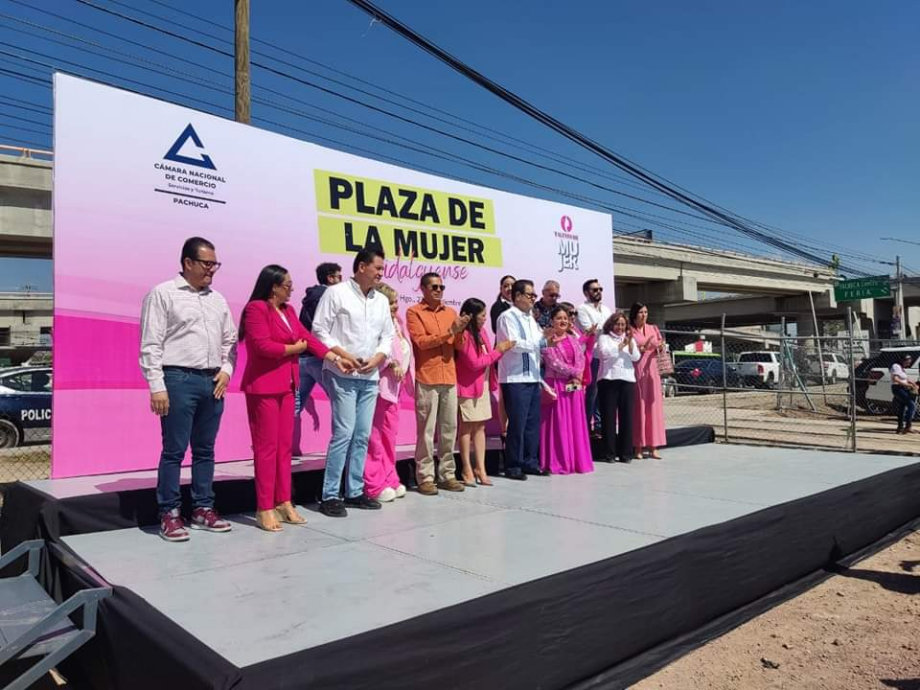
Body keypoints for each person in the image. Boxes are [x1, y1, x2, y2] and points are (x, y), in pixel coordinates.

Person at [140, 237, 237, 542]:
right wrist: (157, 386)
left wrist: (227, 369)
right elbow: (151, 344)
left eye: (215, 264)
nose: (212, 270)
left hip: (213, 383)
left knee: (206, 450)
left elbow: (230, 341)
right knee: (174, 451)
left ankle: (202, 508)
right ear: (188, 263)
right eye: (207, 264)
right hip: (178, 380)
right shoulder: (163, 294)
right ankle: (169, 513)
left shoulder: (217, 299)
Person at [239, 265, 348, 532]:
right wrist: (293, 349)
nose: (291, 288)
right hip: (263, 388)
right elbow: (261, 345)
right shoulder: (257, 308)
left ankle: (283, 501)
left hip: (288, 386)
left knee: (285, 448)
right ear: (273, 285)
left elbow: (308, 339)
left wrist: (335, 357)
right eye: (287, 284)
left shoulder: (288, 311)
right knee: (266, 449)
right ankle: (264, 506)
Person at [313, 247, 395, 517]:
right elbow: (319, 330)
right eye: (378, 268)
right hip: (341, 373)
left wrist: (378, 358)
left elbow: (387, 335)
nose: (381, 274)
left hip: (370, 375)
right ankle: (329, 494)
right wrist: (343, 355)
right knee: (344, 432)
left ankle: (355, 490)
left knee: (362, 434)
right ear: (361, 267)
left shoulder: (381, 300)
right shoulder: (335, 293)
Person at [406, 273, 469, 495]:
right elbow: (421, 343)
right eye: (434, 286)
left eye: (442, 286)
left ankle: (447, 474)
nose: (439, 290)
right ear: (422, 288)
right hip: (427, 377)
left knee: (449, 428)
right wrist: (449, 333)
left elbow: (457, 346)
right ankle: (425, 477)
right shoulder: (414, 312)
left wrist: (460, 332)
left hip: (449, 376)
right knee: (426, 430)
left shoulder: (450, 312)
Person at [455, 298, 515, 486]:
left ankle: (480, 468)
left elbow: (487, 358)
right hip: (467, 387)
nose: (484, 320)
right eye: (481, 316)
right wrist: (499, 351)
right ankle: (466, 468)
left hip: (483, 385)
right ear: (471, 316)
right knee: (466, 428)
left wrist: (495, 353)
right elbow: (474, 363)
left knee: (480, 428)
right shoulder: (463, 335)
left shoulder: (482, 333)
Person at [364, 283, 413, 502]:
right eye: (390, 303)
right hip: (378, 387)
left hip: (395, 389)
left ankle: (389, 476)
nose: (395, 306)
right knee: (374, 437)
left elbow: (405, 352)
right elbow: (372, 355)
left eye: (396, 302)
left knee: (389, 436)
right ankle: (373, 482)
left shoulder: (397, 324)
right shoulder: (374, 325)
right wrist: (390, 364)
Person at [496, 279, 547, 479]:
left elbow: (539, 342)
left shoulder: (530, 319)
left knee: (532, 422)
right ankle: (513, 465)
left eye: (534, 295)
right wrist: (541, 342)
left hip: (533, 376)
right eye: (530, 295)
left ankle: (530, 461)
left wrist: (546, 340)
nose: (533, 299)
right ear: (517, 296)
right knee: (517, 423)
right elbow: (514, 344)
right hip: (515, 377)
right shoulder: (507, 317)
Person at [293, 262, 342, 451]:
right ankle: (340, 448)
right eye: (339, 276)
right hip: (320, 357)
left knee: (294, 405)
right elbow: (326, 330)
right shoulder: (327, 297)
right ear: (330, 278)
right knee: (341, 402)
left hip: (303, 357)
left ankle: (284, 447)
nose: (341, 281)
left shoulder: (310, 297)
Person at [539, 306, 593, 474]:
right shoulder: (547, 339)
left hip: (573, 385)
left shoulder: (573, 339)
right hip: (556, 385)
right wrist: (574, 372)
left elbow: (581, 359)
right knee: (559, 423)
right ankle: (559, 460)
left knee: (574, 421)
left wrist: (577, 374)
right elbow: (552, 361)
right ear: (552, 321)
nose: (562, 321)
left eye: (565, 318)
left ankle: (576, 460)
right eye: (558, 318)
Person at [595, 311, 641, 463]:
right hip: (609, 380)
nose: (620, 327)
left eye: (623, 324)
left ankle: (626, 453)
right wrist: (620, 347)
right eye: (617, 324)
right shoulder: (604, 338)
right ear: (611, 324)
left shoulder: (628, 339)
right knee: (608, 418)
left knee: (626, 417)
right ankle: (609, 453)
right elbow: (604, 354)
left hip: (627, 379)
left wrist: (630, 344)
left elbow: (636, 357)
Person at [629, 302, 667, 459]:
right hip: (637, 368)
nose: (644, 315)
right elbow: (628, 349)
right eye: (641, 312)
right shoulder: (629, 330)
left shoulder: (653, 328)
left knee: (653, 407)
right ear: (634, 314)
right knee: (639, 407)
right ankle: (638, 446)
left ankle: (653, 446)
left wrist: (661, 346)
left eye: (646, 312)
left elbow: (661, 347)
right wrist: (642, 348)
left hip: (652, 370)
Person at [576, 279, 612, 436]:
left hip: (608, 356)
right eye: (594, 289)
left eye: (600, 289)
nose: (598, 292)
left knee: (605, 392)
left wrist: (603, 329)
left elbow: (614, 330)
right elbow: (589, 331)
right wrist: (607, 329)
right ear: (586, 293)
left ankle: (599, 426)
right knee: (592, 392)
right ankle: (586, 427)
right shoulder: (582, 309)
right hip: (593, 356)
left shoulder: (606, 309)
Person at [890, 354, 917, 434]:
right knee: (911, 405)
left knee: (902, 407)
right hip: (898, 388)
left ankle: (900, 428)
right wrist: (907, 385)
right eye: (907, 362)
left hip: (903, 388)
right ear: (903, 360)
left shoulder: (901, 368)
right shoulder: (895, 366)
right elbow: (895, 379)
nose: (908, 364)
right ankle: (908, 426)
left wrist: (912, 383)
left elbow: (905, 378)